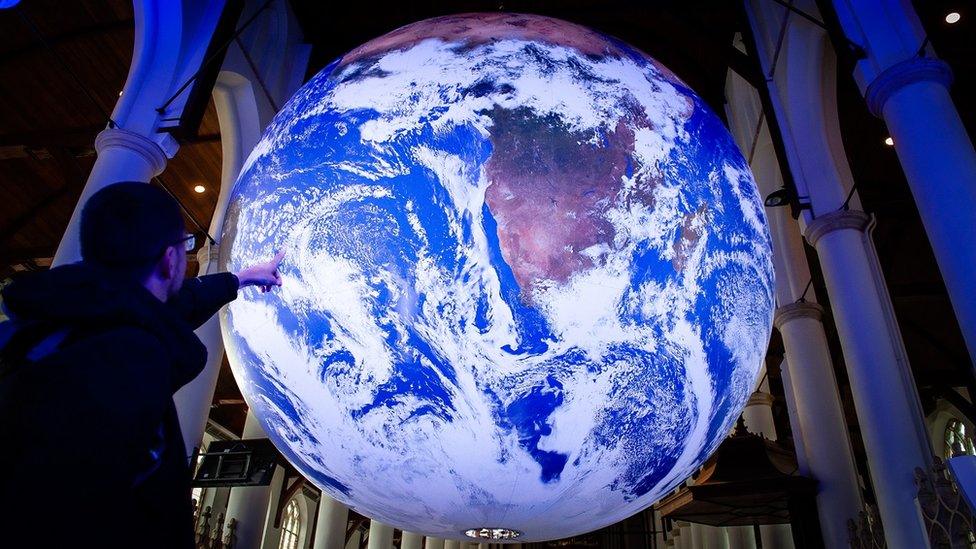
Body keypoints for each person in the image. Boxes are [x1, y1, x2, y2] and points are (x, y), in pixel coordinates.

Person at [0, 182, 284, 548]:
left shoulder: (64, 321)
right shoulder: (122, 363)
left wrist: (241, 278)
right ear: (170, 260)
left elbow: (160, 308)